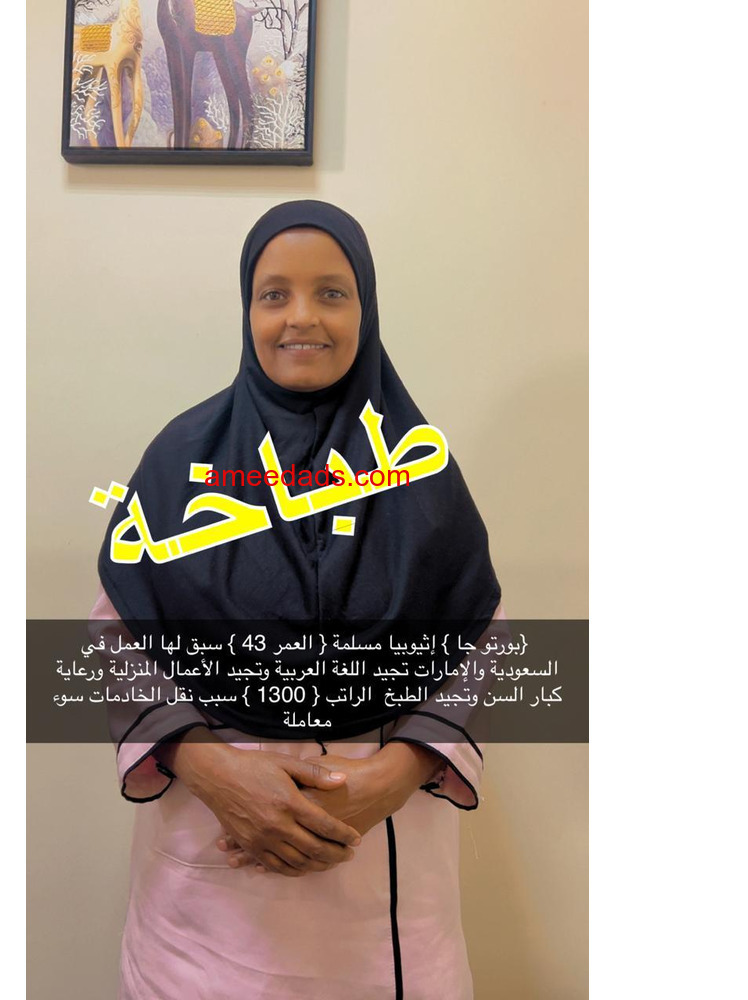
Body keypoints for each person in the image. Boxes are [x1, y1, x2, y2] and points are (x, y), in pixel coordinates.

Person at [90, 200, 504, 999]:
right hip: (206, 908)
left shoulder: (420, 467)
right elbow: (116, 635)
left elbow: (482, 640)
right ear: (246, 310)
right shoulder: (180, 460)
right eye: (274, 294)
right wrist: (212, 770)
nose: (301, 317)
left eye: (332, 293)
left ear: (366, 308)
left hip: (385, 898)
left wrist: (395, 774)